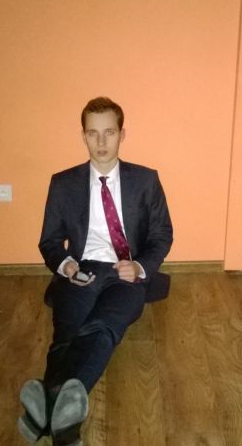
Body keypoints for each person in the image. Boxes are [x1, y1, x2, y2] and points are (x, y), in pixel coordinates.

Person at [18, 96, 173, 445]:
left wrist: (139, 267)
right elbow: (49, 241)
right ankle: (64, 427)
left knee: (103, 328)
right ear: (83, 136)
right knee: (67, 333)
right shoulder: (63, 183)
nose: (101, 142)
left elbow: (162, 234)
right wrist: (66, 265)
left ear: (122, 134)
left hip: (125, 272)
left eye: (109, 133)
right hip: (81, 270)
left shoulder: (146, 180)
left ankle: (44, 412)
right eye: (93, 133)